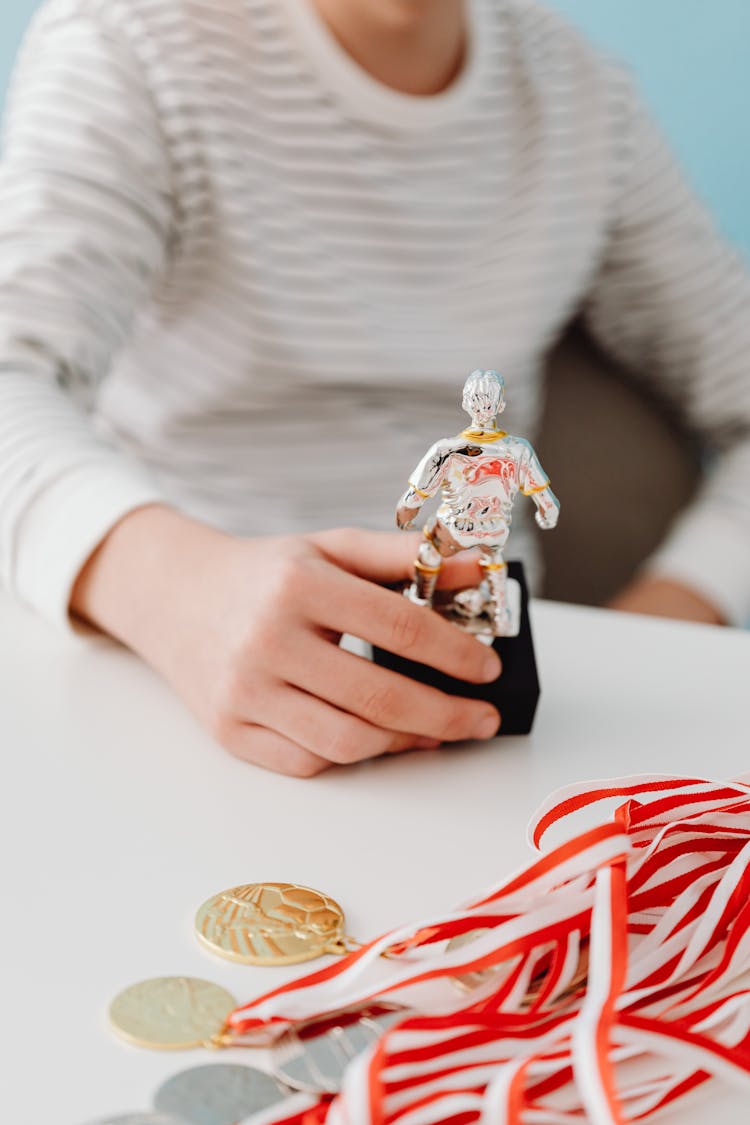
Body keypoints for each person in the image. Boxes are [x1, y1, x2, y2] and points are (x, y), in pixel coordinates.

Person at [0, 0, 748, 776]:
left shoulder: (588, 104)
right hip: (156, 697)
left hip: (489, 721)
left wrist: (667, 621)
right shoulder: (127, 41)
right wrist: (170, 588)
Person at [396, 368, 559, 633]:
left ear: (465, 404)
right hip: (495, 530)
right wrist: (546, 516)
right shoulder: (518, 450)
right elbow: (547, 502)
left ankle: (420, 600)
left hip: (455, 529)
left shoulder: (447, 450)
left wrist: (405, 516)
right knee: (494, 558)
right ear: (501, 406)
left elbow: (414, 497)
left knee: (428, 551)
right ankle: (501, 613)